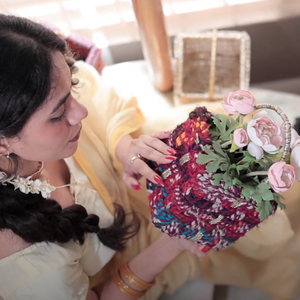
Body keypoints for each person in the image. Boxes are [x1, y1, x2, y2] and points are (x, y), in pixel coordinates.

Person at [0, 13, 300, 300]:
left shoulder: (41, 89)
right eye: (57, 115)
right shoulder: (23, 259)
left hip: (138, 174)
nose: (81, 112)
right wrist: (175, 244)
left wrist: (124, 148)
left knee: (229, 146)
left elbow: (97, 95)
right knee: (260, 236)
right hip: (139, 252)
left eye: (72, 90)